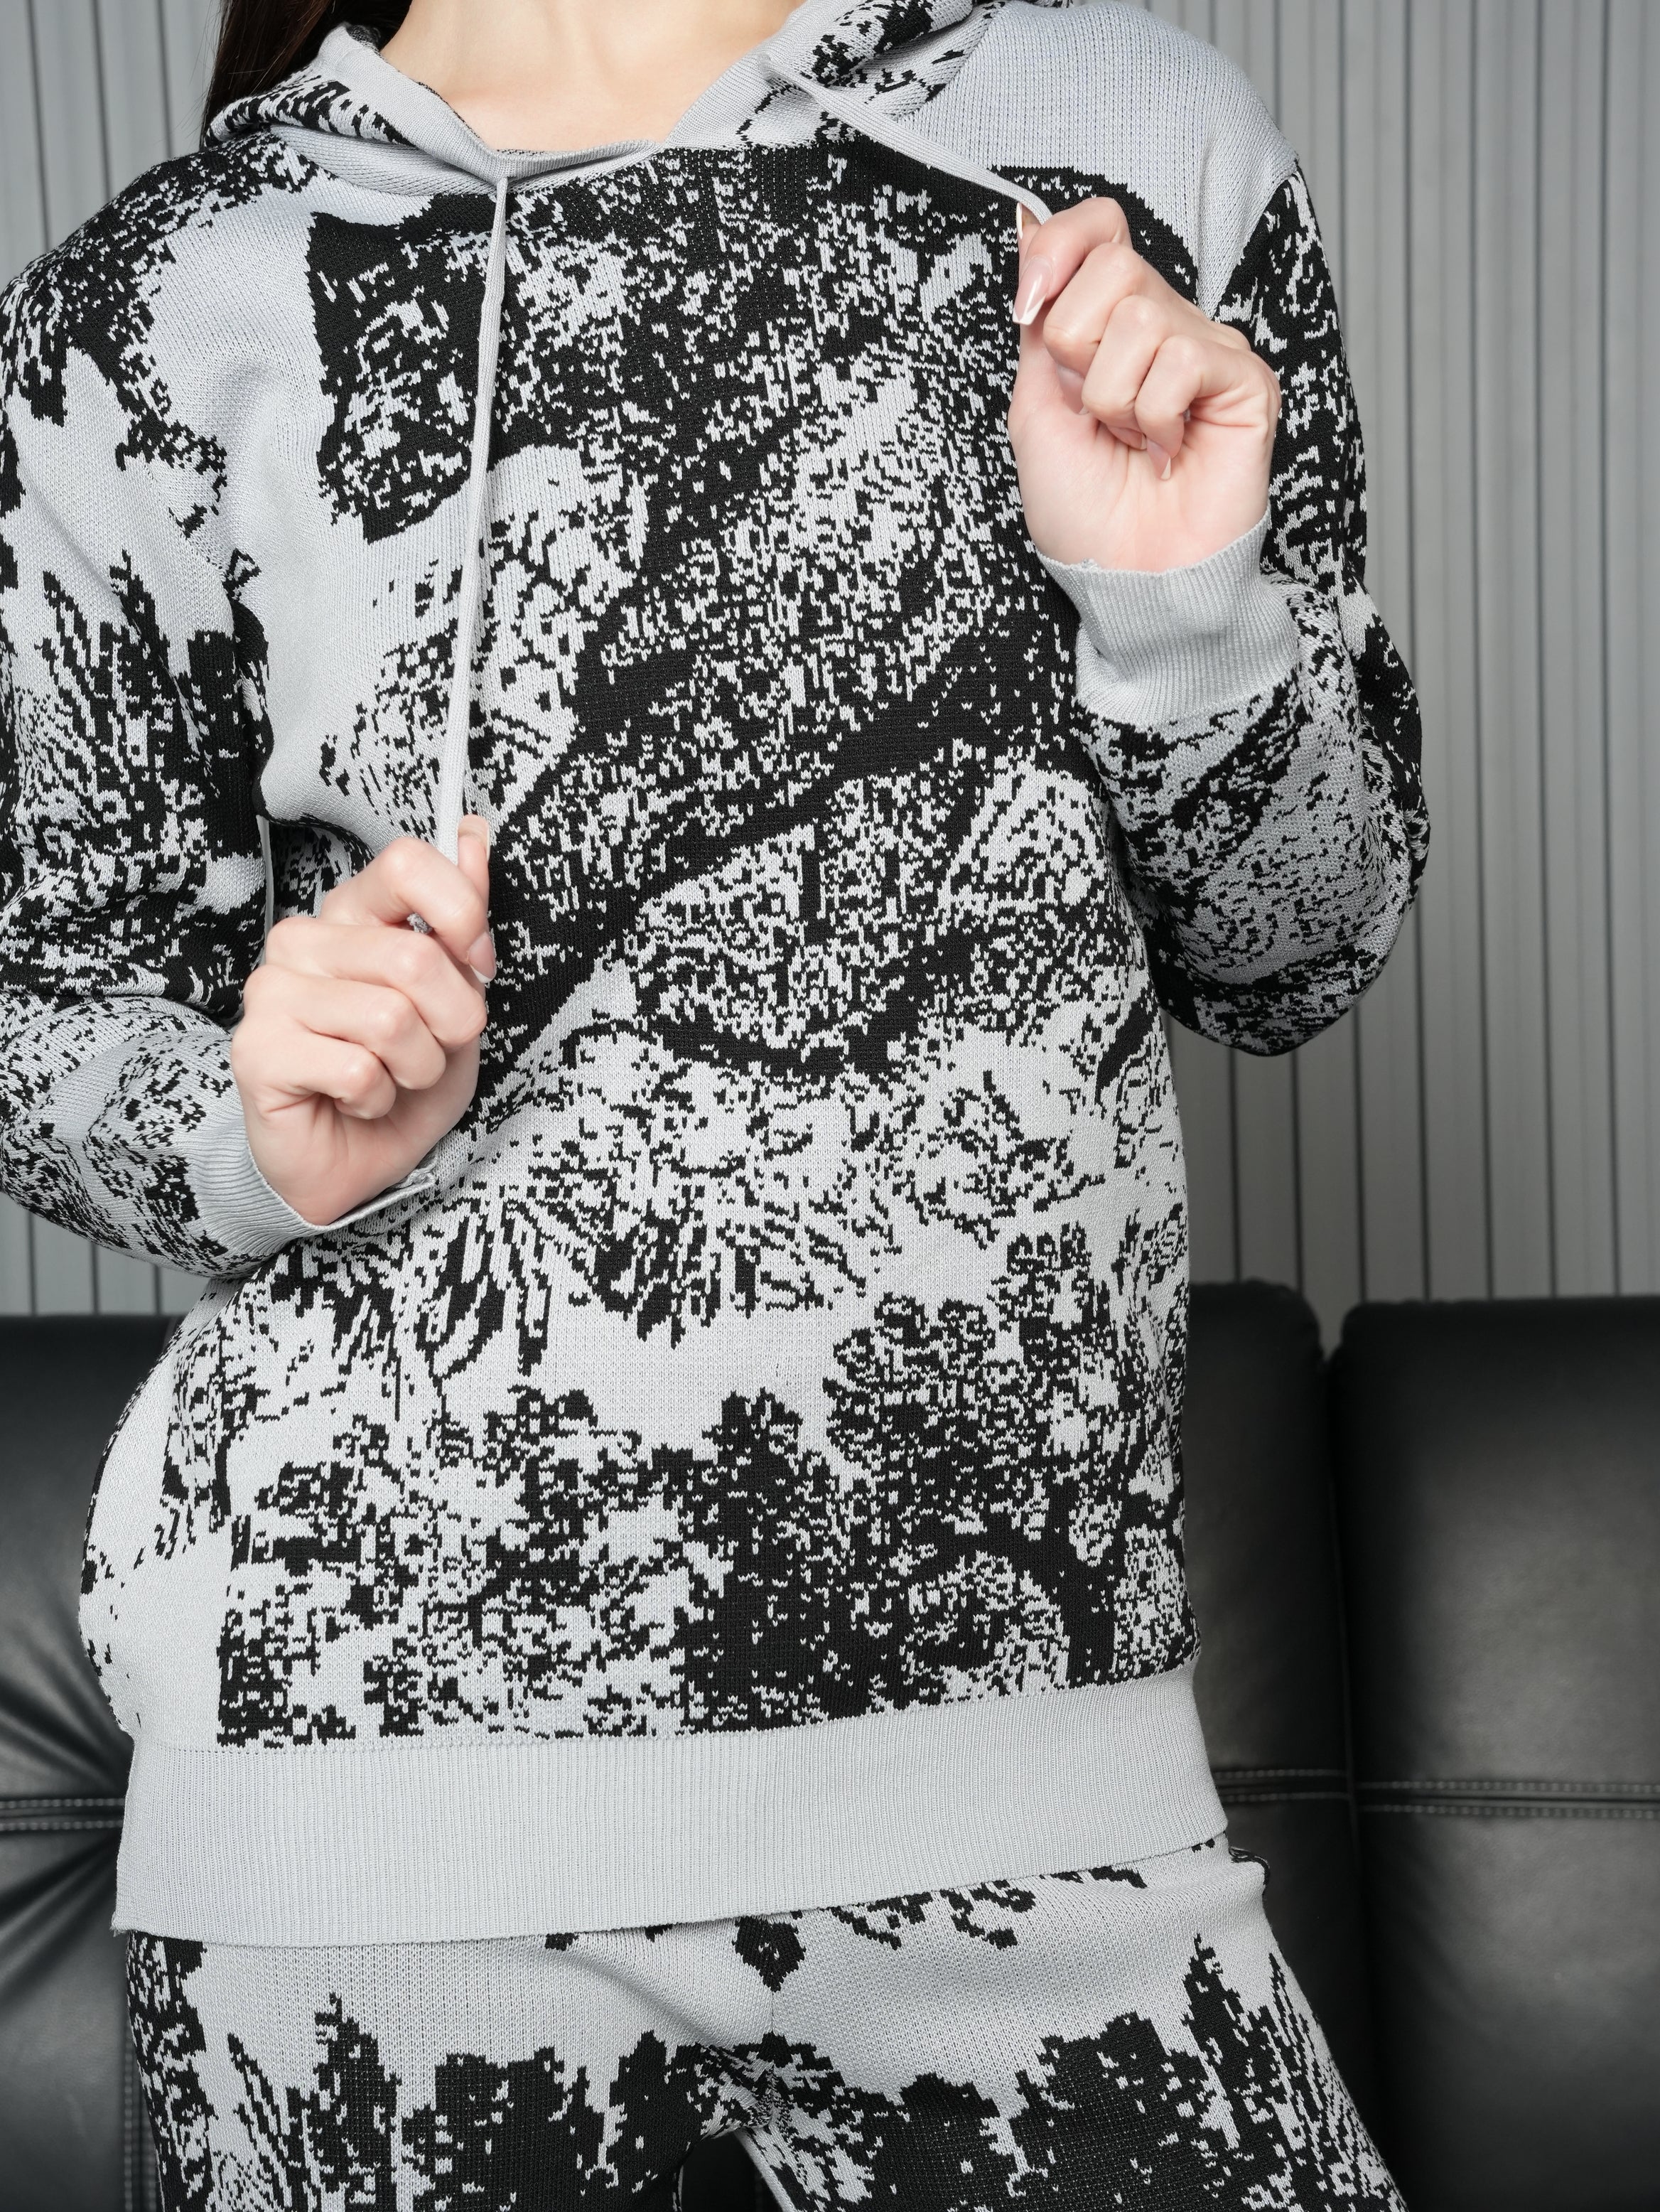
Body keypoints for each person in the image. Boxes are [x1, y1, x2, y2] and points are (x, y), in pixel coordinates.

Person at [0, 0, 1425, 2201]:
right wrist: (247, 1127)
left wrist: (1176, 610)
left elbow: (1297, 949)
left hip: (1033, 1766)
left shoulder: (1123, 142)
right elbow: (37, 1005)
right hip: (362, 1812)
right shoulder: (155, 294)